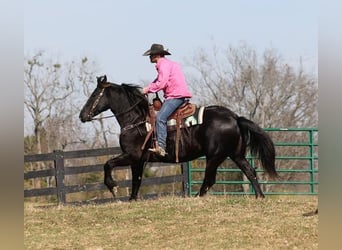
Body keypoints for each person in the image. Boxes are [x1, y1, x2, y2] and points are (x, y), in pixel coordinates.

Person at [142, 43, 192, 157]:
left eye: (151, 55)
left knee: (160, 118)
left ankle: (161, 147)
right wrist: (148, 88)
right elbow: (158, 81)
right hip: (178, 94)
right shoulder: (169, 64)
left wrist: (147, 90)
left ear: (157, 55)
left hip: (175, 96)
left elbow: (162, 82)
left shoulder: (162, 65)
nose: (150, 57)